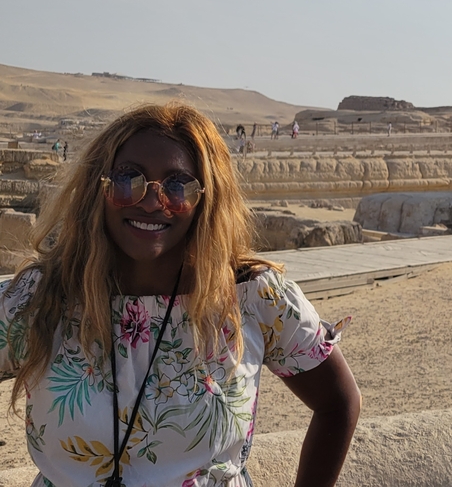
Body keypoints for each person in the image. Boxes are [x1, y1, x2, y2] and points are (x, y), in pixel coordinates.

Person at [0, 103, 361, 487]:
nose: (152, 202)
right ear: (98, 186)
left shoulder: (253, 298)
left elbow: (338, 404)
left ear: (206, 199)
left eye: (178, 186)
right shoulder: (40, 297)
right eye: (128, 178)